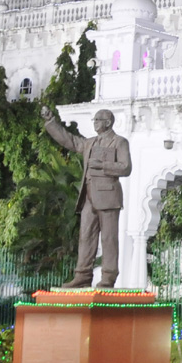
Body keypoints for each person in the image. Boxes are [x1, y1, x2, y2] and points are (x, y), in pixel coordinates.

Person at [42, 105, 132, 289]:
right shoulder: (90, 143)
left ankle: (108, 277)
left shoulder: (119, 142)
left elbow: (125, 167)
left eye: (98, 120)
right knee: (86, 236)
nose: (95, 123)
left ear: (108, 122)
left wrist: (103, 165)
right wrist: (51, 122)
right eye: (95, 120)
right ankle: (82, 276)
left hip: (108, 196)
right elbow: (70, 141)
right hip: (88, 196)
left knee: (108, 238)